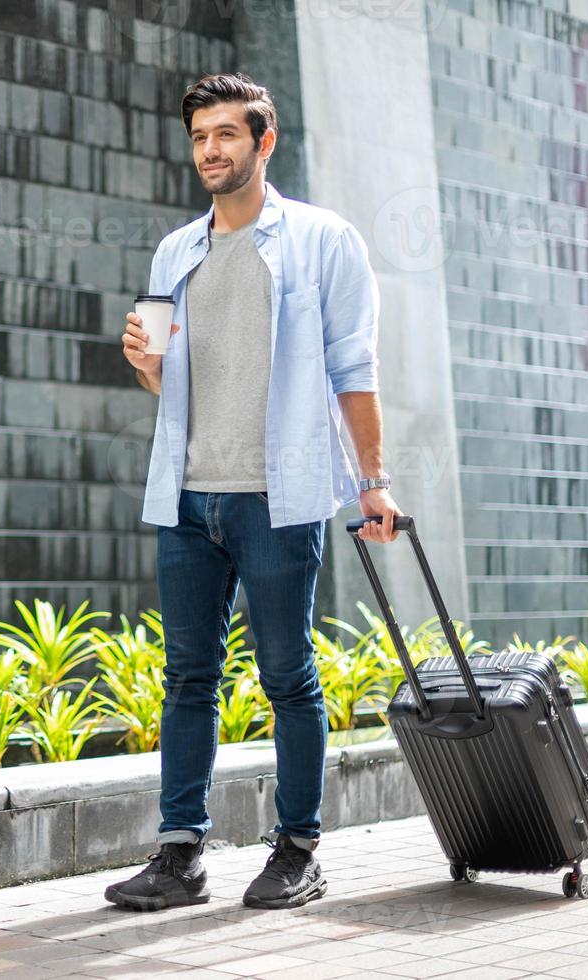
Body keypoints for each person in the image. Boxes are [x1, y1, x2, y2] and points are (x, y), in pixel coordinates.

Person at [104, 73, 404, 912]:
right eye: (200, 136)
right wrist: (144, 365)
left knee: (286, 675)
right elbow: (159, 376)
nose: (210, 150)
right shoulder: (174, 250)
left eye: (226, 135)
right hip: (188, 497)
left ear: (262, 142)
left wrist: (372, 483)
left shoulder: (321, 239)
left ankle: (298, 846)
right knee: (186, 678)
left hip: (279, 496)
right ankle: (179, 854)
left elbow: (353, 366)